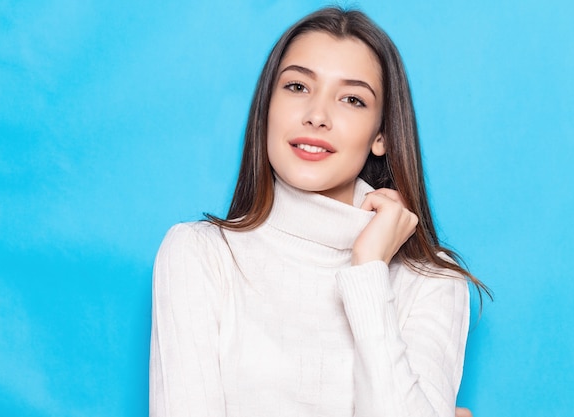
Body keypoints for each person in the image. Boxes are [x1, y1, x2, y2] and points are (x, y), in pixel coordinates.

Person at [149, 6, 489, 417]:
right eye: (297, 87)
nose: (317, 116)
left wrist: (368, 272)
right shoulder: (199, 254)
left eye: (351, 99)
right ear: (266, 109)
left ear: (381, 135)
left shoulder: (431, 280)